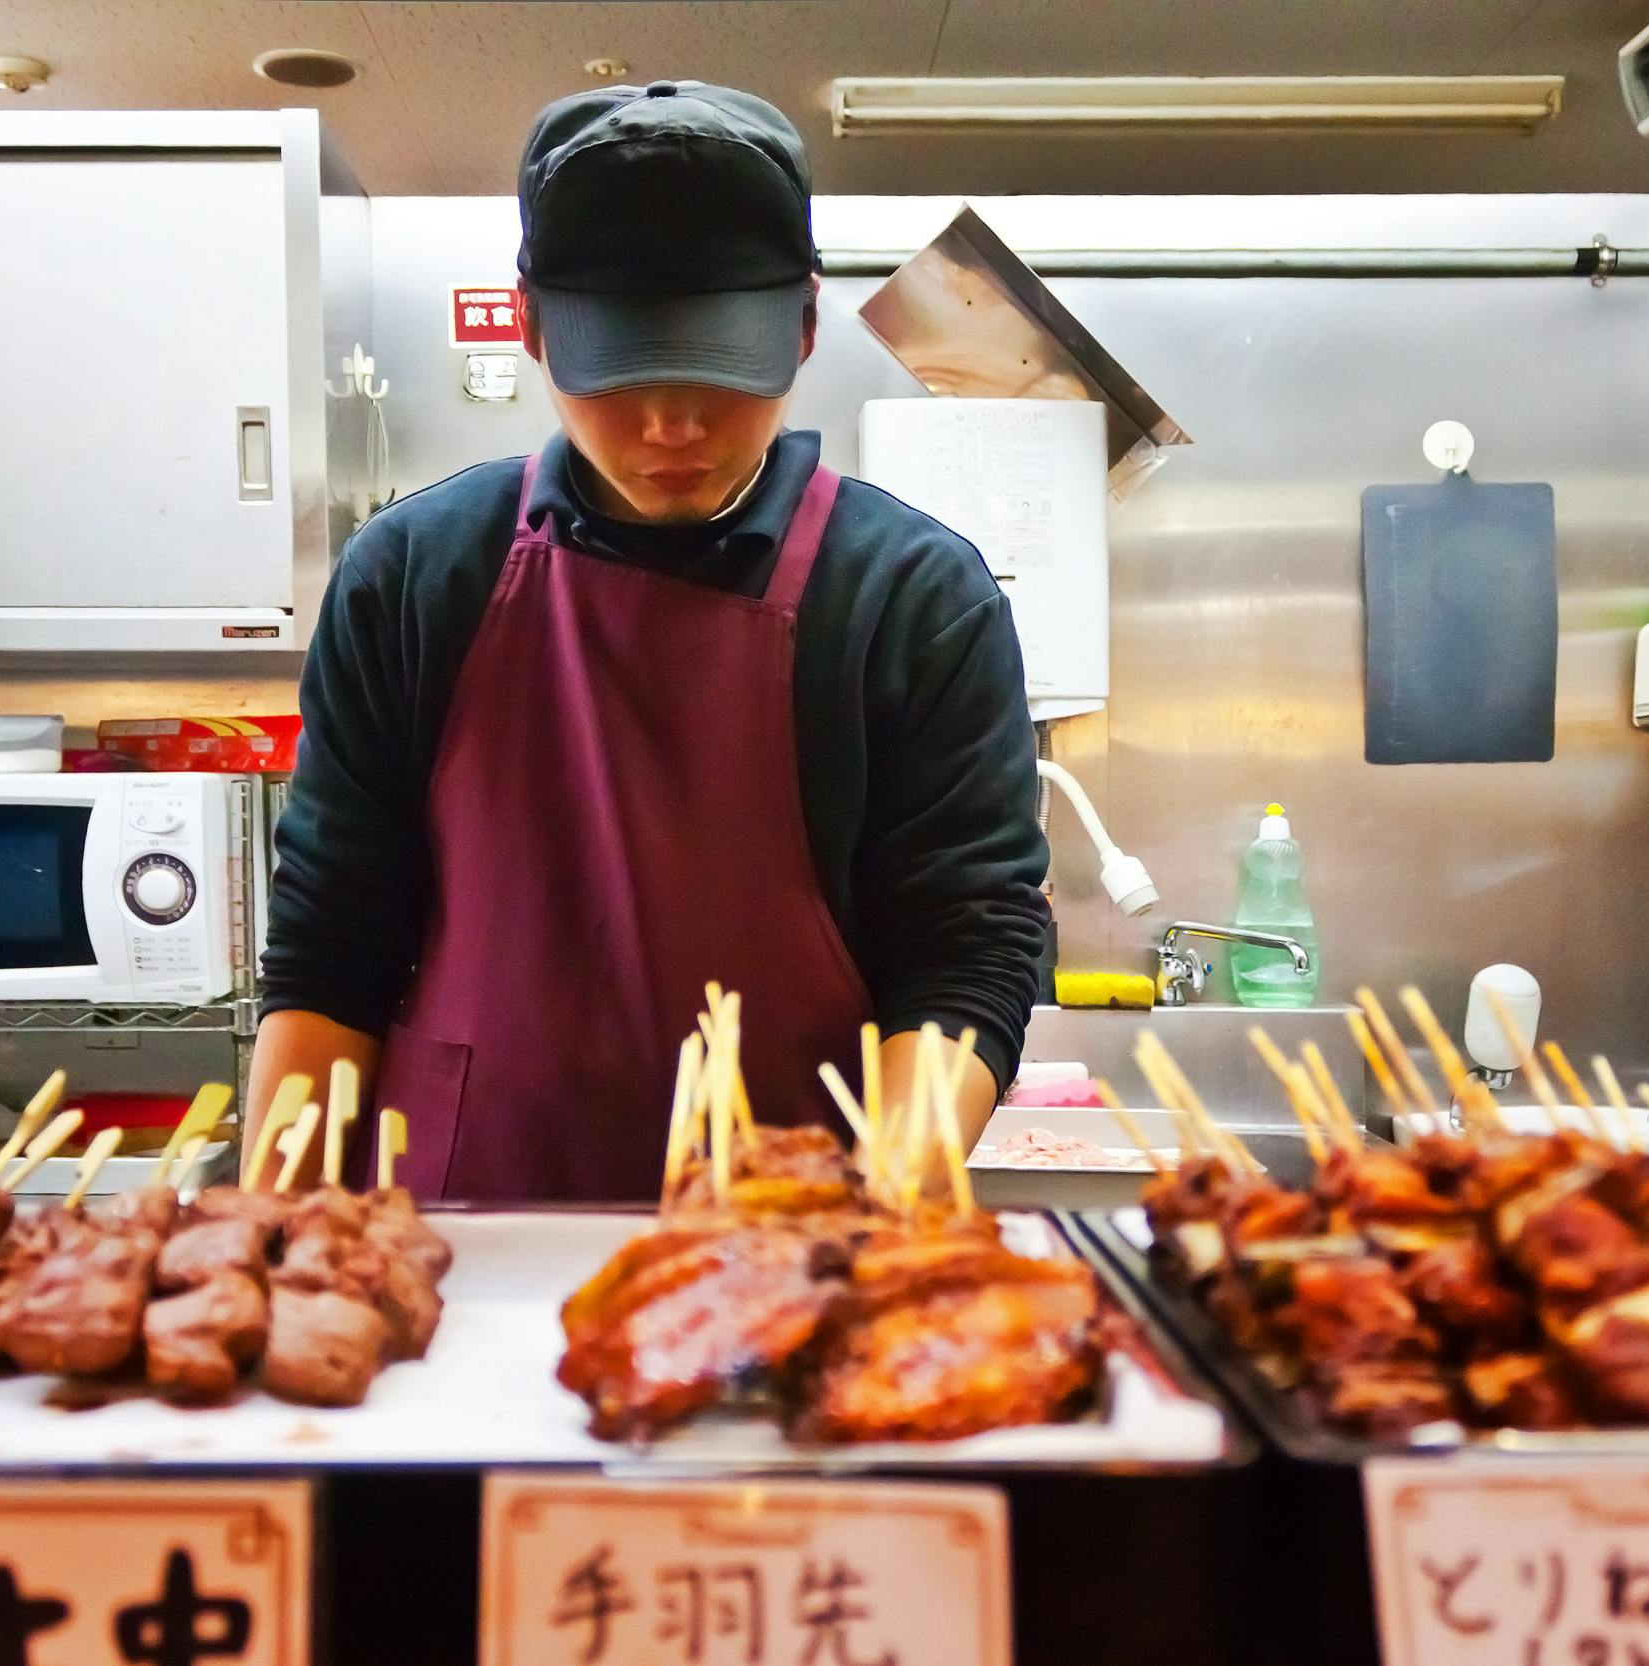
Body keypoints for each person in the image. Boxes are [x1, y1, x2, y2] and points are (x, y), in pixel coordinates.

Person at [250, 79, 1050, 1203]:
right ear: (530, 328)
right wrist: (267, 1241)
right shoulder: (412, 577)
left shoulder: (914, 598)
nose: (672, 424)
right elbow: (333, 944)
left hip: (798, 1227)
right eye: (621, 369)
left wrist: (872, 1223)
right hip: (456, 1235)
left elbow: (967, 951)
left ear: (805, 327)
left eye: (720, 366)